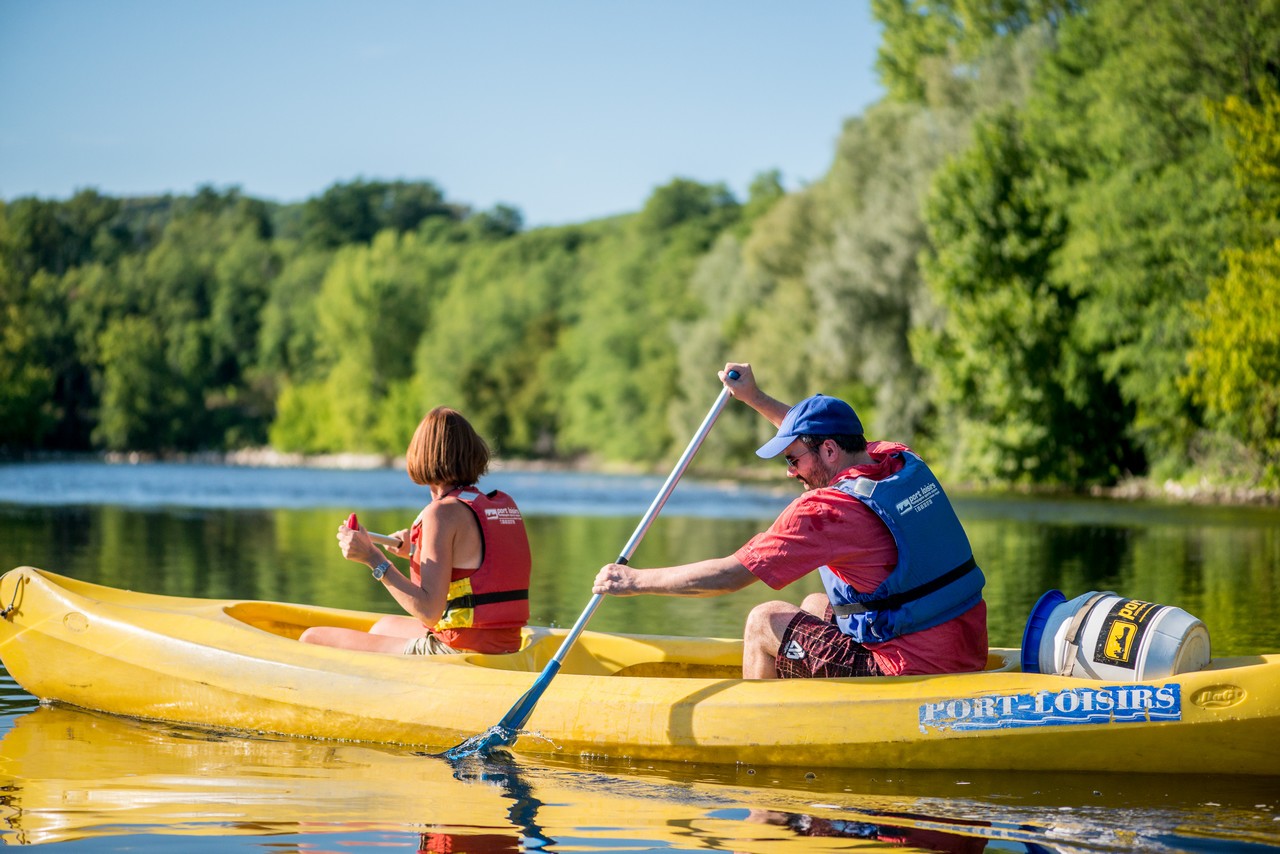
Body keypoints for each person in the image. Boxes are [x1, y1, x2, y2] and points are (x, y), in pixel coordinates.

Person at [592, 363, 987, 679]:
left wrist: (634, 581)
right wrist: (754, 397)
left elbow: (729, 575)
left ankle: (751, 738)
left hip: (912, 671)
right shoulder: (895, 460)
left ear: (830, 451)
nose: (789, 472)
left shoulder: (825, 511)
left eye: (792, 459)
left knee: (763, 621)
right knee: (816, 604)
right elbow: (822, 433)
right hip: (964, 647)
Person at [300, 406, 532, 655]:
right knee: (382, 626)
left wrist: (373, 558)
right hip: (505, 645)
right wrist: (414, 549)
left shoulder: (441, 513)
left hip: (460, 652)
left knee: (312, 638)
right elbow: (473, 562)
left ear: (422, 457)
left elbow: (429, 611)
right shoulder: (496, 504)